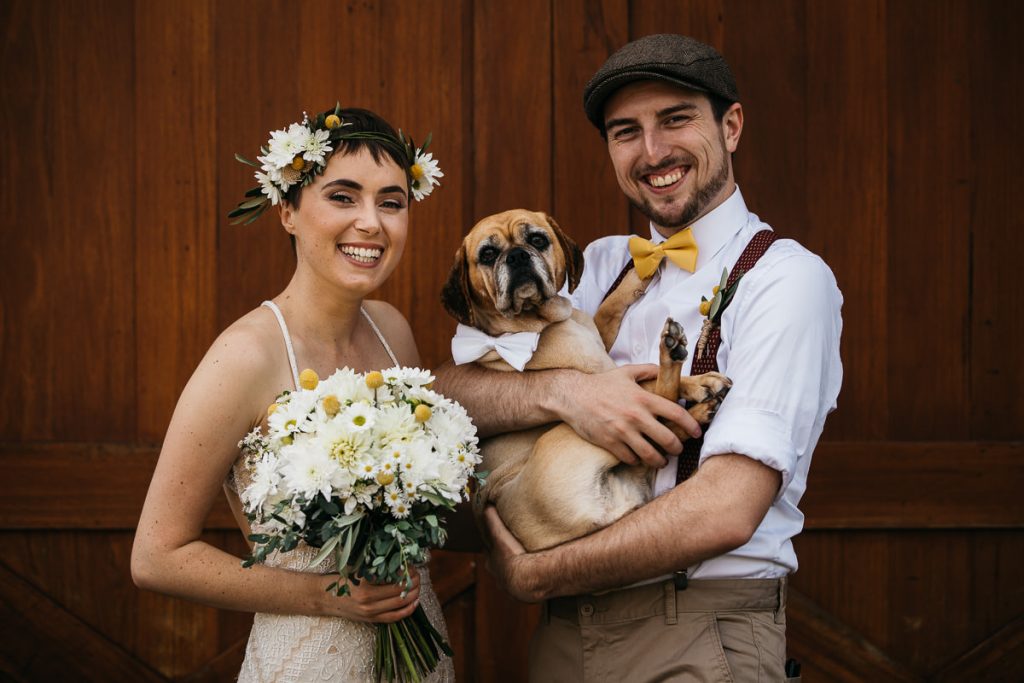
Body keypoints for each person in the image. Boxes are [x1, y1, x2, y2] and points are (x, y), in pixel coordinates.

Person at [434, 34, 842, 681]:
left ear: (731, 126)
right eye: (627, 131)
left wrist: (538, 570)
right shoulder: (588, 267)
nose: (652, 152)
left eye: (675, 119)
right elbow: (451, 392)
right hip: (566, 633)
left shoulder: (787, 280)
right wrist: (565, 393)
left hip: (697, 625)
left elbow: (726, 509)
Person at [131, 106, 454, 681]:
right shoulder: (245, 357)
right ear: (287, 210)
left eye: (391, 202)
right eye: (342, 196)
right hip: (309, 657)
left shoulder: (393, 329)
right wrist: (327, 597)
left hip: (420, 655)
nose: (371, 223)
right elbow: (158, 556)